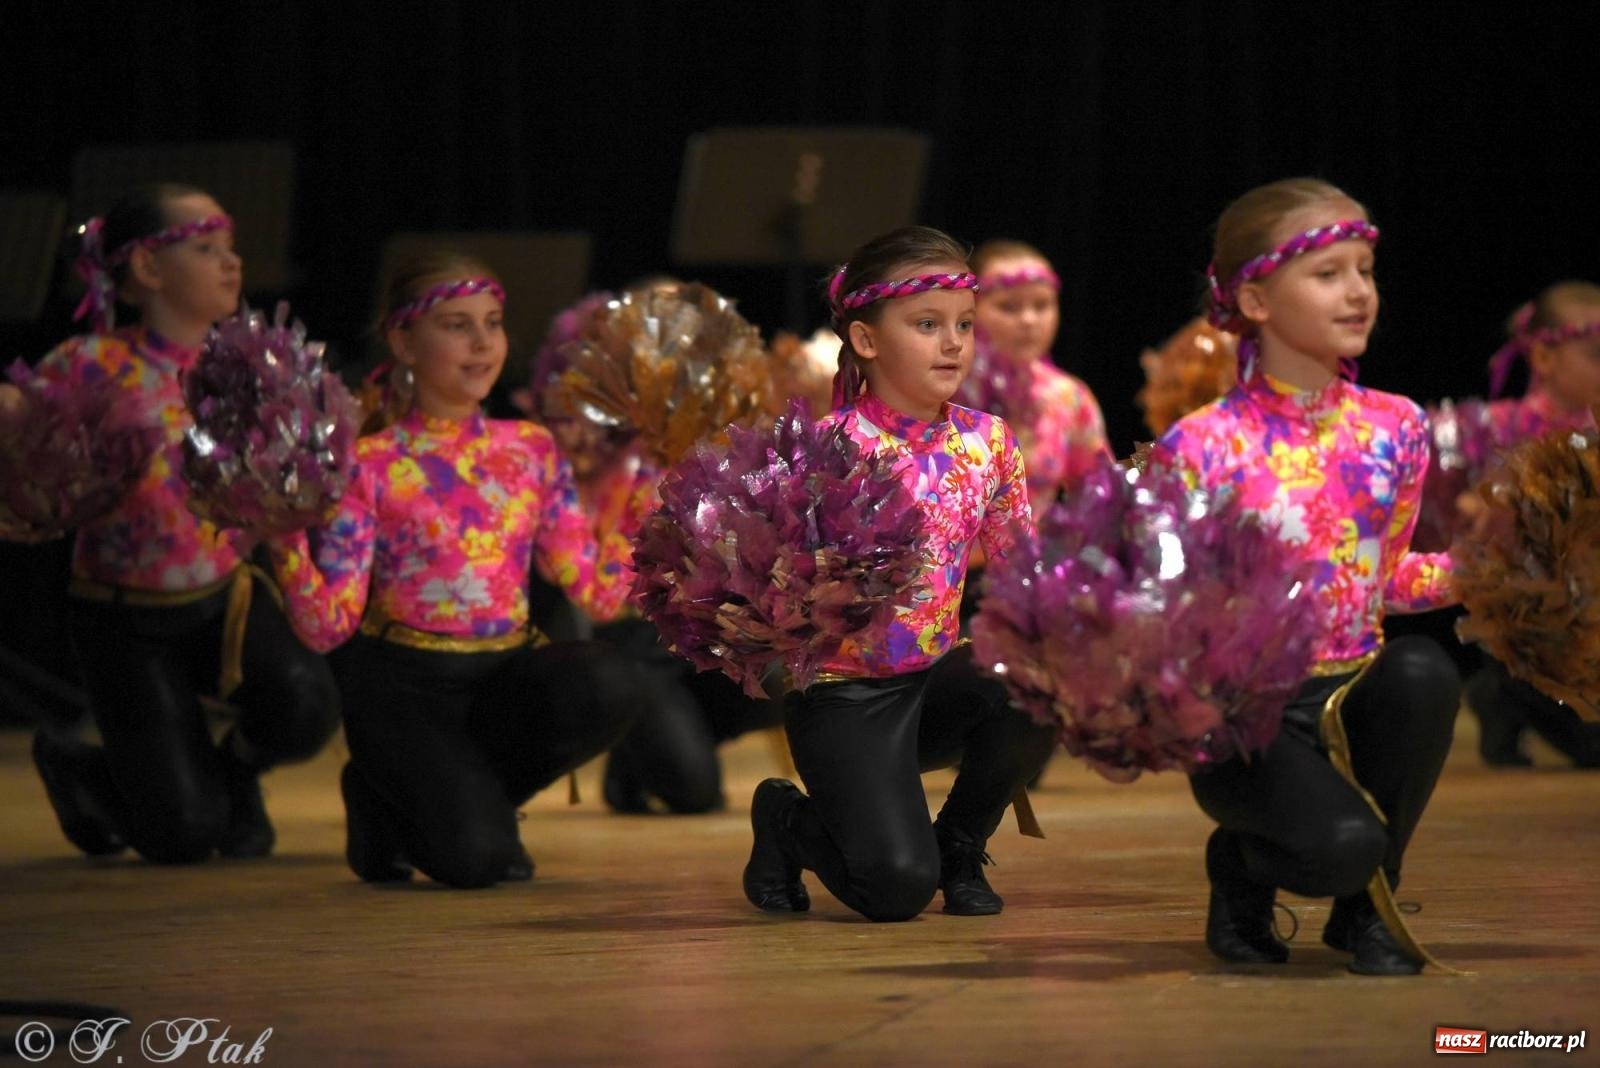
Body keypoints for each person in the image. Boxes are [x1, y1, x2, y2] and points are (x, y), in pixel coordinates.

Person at [1151, 178, 1460, 975]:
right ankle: (1243, 868)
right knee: (1341, 845)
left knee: (1423, 669)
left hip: (1353, 694)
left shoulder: (1397, 426)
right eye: (1328, 274)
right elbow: (1166, 606)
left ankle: (1369, 912)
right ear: (1255, 297)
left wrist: (1502, 573)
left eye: (1364, 268)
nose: (1358, 292)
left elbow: (1385, 578)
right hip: (1248, 721)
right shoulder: (1203, 445)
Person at [266, 250, 648, 888]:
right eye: (456, 325)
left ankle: (439, 802)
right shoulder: (368, 464)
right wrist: (281, 543)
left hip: (501, 678)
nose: (482, 342)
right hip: (405, 690)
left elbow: (598, 597)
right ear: (403, 341)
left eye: (493, 322)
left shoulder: (529, 449)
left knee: (611, 681)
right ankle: (391, 788)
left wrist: (646, 510)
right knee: (478, 862)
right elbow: (329, 629)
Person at [741, 225, 1056, 922]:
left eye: (964, 325)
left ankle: (960, 846)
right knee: (892, 893)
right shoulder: (823, 449)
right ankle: (787, 822)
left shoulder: (989, 442)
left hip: (932, 681)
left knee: (1040, 681)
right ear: (866, 340)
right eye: (927, 324)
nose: (954, 343)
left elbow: (1022, 577)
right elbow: (767, 589)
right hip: (843, 697)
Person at [23, 183, 340, 864]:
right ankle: (86, 767)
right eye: (205, 248)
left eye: (230, 249)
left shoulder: (257, 366)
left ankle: (231, 771)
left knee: (305, 706)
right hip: (123, 619)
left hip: (223, 600)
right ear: (146, 268)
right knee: (184, 837)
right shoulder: (88, 365)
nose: (231, 264)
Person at [1465, 282, 1600, 767]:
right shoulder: (1502, 428)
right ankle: (1503, 686)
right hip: (1525, 615)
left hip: (1585, 607)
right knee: (1592, 748)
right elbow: (1465, 505)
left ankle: (1499, 696)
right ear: (1544, 358)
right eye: (1596, 355)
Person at [968, 240, 1109, 514]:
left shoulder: (1069, 397)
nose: (1029, 320)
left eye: (1042, 305)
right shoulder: (941, 389)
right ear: (969, 309)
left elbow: (1099, 497)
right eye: (1009, 307)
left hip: (1032, 555)